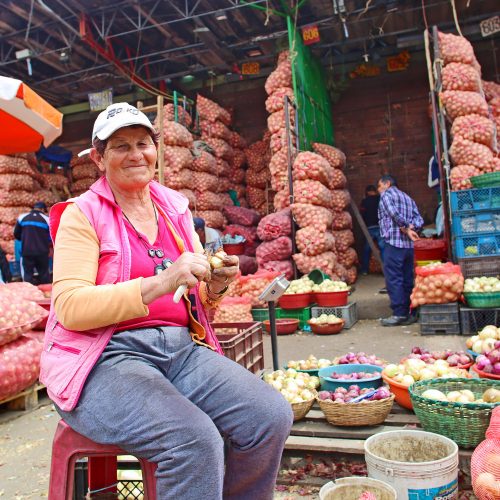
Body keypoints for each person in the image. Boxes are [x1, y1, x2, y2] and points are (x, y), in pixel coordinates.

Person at [39, 102, 292, 499]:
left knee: (269, 416)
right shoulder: (82, 215)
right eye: (120, 146)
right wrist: (159, 282)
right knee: (193, 441)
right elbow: (70, 307)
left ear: (155, 151)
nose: (135, 154)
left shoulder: (174, 209)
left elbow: (199, 305)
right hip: (105, 360)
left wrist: (219, 283)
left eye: (143, 143)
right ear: (99, 159)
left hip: (179, 351)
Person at [377, 174, 424, 327]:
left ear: (387, 183)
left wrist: (404, 227)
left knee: (394, 278)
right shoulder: (408, 198)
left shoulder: (386, 195)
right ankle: (411, 312)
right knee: (406, 278)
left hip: (393, 243)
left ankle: (399, 314)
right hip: (408, 247)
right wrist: (411, 228)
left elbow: (393, 213)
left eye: (379, 186)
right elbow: (419, 220)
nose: (378, 190)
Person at [13, 201, 51, 284]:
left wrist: (26, 240)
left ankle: (30, 294)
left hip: (27, 251)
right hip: (42, 252)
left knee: (27, 275)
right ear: (42, 209)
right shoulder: (47, 219)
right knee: (44, 275)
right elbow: (50, 237)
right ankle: (46, 294)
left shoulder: (22, 217)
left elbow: (16, 234)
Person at [359, 184, 385, 275]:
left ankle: (364, 270)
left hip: (369, 228)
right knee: (383, 248)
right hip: (380, 227)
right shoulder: (380, 199)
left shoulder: (364, 201)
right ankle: (385, 270)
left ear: (367, 192)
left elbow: (362, 214)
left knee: (367, 249)